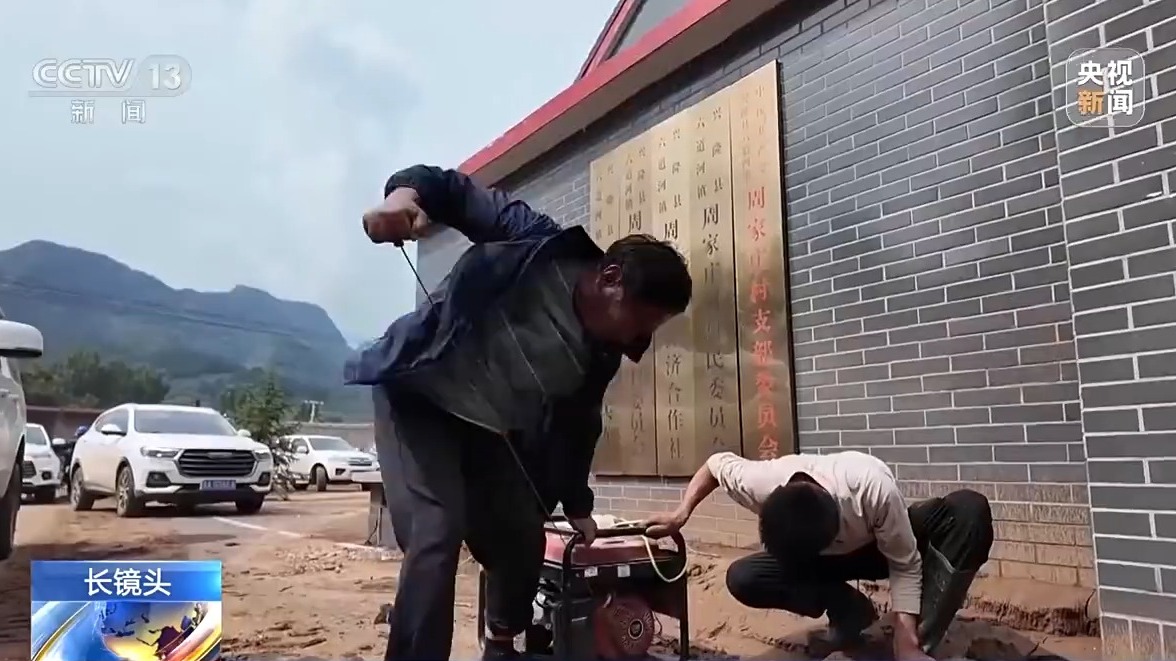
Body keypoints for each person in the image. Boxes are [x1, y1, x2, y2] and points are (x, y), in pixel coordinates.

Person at [345, 165, 692, 661]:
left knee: (522, 534)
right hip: (418, 398)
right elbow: (454, 191)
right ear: (610, 278)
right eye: (641, 318)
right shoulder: (535, 240)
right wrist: (404, 196)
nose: (642, 336)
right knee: (436, 530)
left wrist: (578, 506)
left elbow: (578, 427)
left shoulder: (601, 354)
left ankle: (501, 644)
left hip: (487, 430)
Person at [644, 450, 993, 660]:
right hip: (819, 561)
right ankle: (851, 612)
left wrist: (906, 642)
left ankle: (917, 646)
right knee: (744, 577)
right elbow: (715, 463)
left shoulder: (871, 489)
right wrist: (680, 514)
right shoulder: (759, 481)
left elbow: (905, 564)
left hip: (879, 549)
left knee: (968, 511)